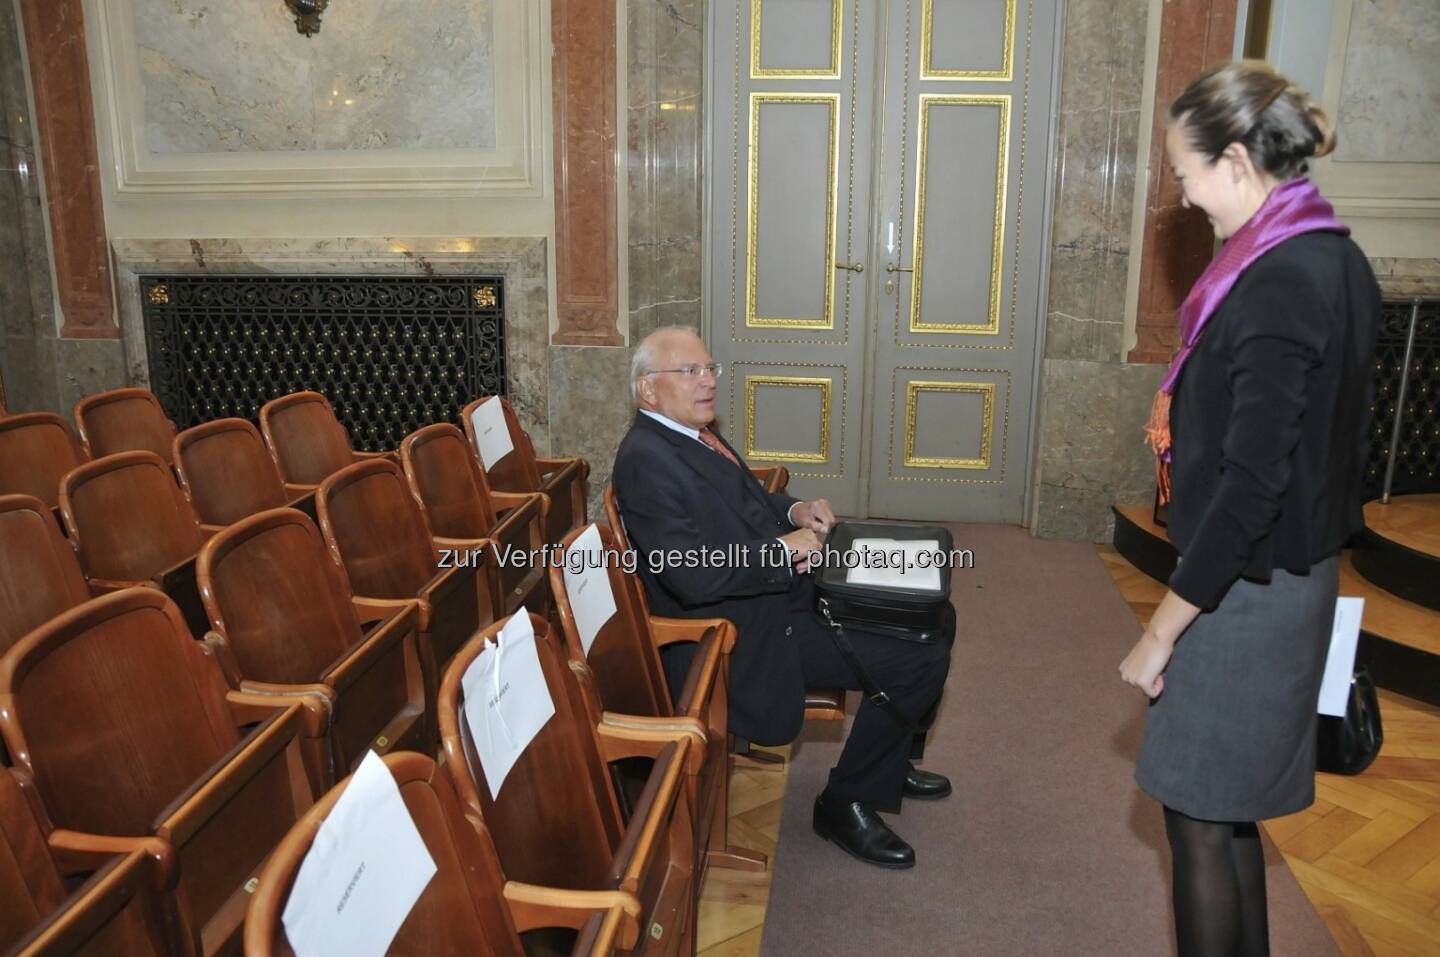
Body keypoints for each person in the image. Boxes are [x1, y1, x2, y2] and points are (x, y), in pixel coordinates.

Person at [1119, 61, 1381, 957]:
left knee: (1196, 819)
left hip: (1245, 594)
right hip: (1286, 579)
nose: (1185, 197)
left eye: (1186, 173)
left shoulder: (1275, 281)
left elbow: (1250, 484)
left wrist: (1161, 630)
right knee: (1226, 819)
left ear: (1234, 161)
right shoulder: (1334, 255)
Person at [613, 326, 952, 869]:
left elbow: (747, 502)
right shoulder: (646, 460)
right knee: (918, 654)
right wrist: (779, 551)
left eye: (709, 369)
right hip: (738, 635)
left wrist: (793, 512)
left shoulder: (691, 435)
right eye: (690, 372)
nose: (707, 382)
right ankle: (846, 801)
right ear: (648, 390)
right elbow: (689, 576)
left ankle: (887, 759)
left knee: (936, 613)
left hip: (777, 598)